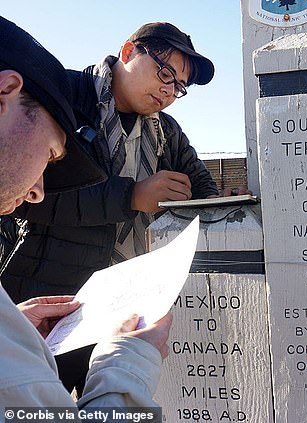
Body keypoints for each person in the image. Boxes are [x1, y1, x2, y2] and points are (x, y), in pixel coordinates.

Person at [1, 22, 219, 393]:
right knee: (34, 397)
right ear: (128, 52)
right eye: (164, 72)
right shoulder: (63, 96)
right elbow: (25, 200)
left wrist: (215, 209)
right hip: (45, 299)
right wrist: (131, 196)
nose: (168, 90)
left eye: (179, 86)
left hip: (122, 301)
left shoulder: (166, 131)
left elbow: (203, 185)